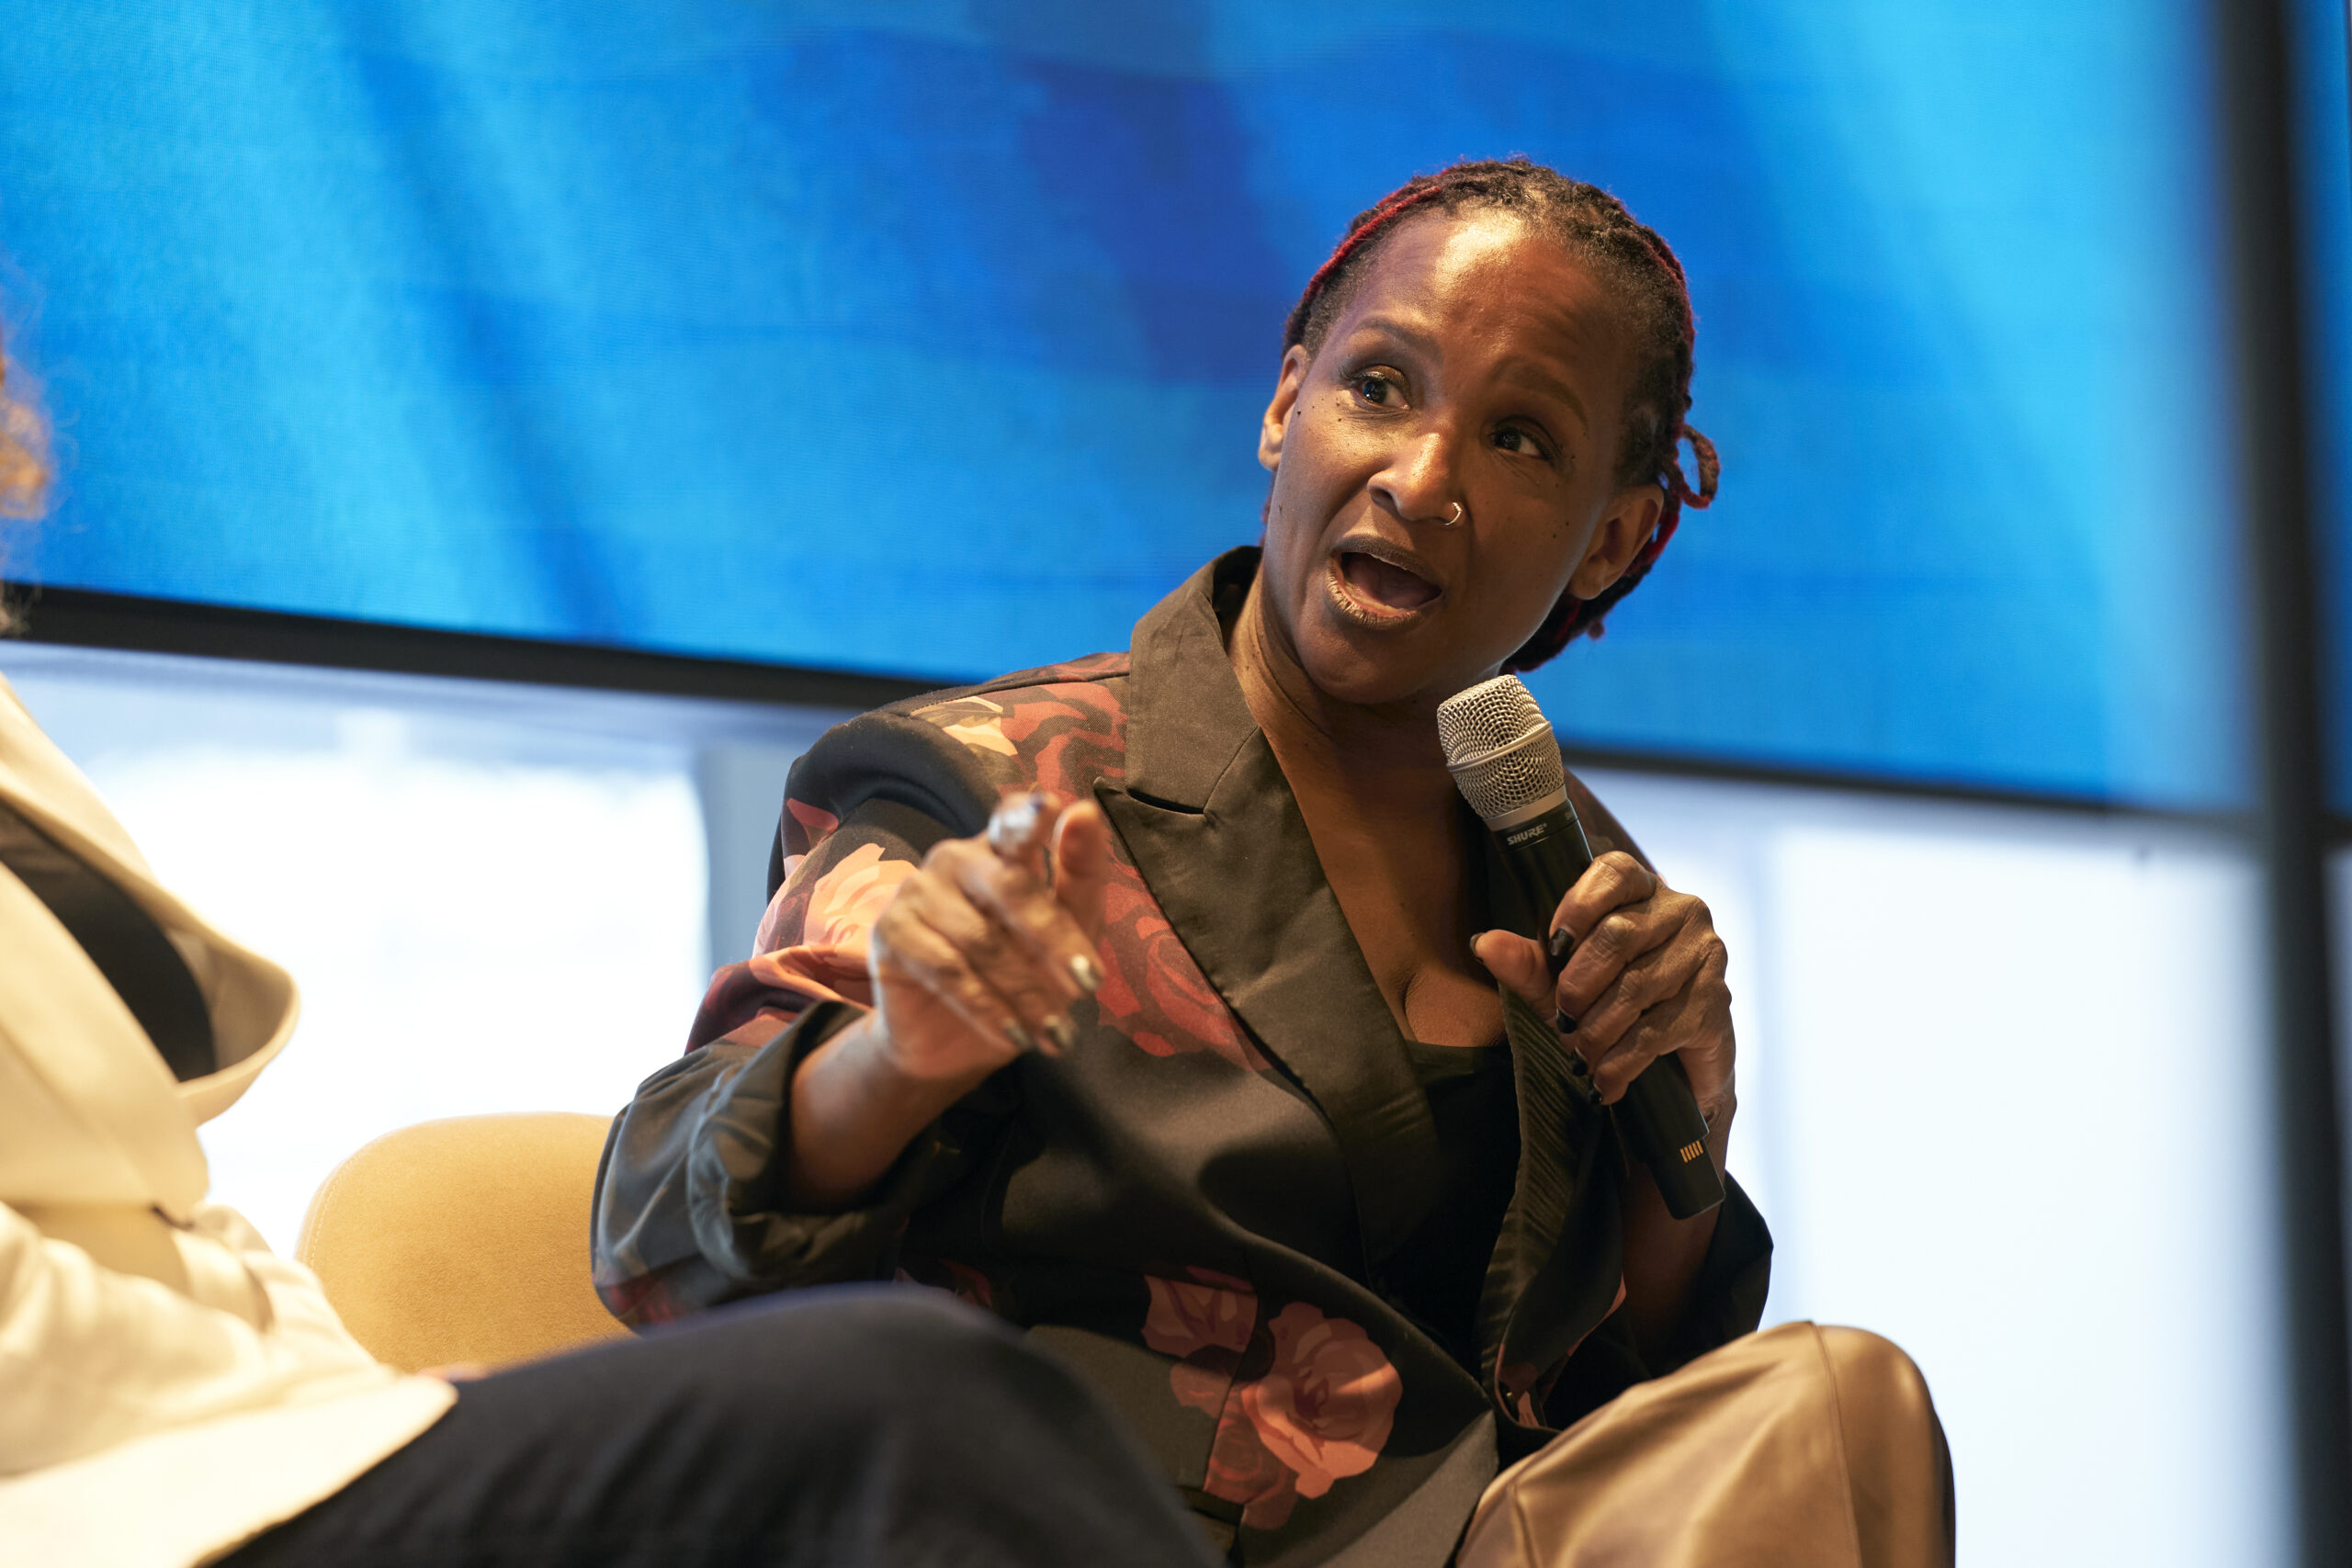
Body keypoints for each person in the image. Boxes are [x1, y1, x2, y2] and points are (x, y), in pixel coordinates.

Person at [596, 158, 1955, 1566]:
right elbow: (654, 1226)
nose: (1421, 478)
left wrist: (1685, 1134)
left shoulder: (1571, 871)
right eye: (1380, 387)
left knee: (1835, 1411)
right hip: (1071, 1536)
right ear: (1284, 404)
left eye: (1520, 439)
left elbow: (1637, 1420)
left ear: (1609, 541)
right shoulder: (989, 786)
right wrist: (892, 1062)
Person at [0, 321, 1218, 1568]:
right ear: (1281, 408)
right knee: (907, 1412)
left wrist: (369, 1403)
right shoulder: (987, 777)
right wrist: (345, 1433)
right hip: (118, 1488)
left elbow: (166, 1233)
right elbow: (674, 1204)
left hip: (243, 1430)